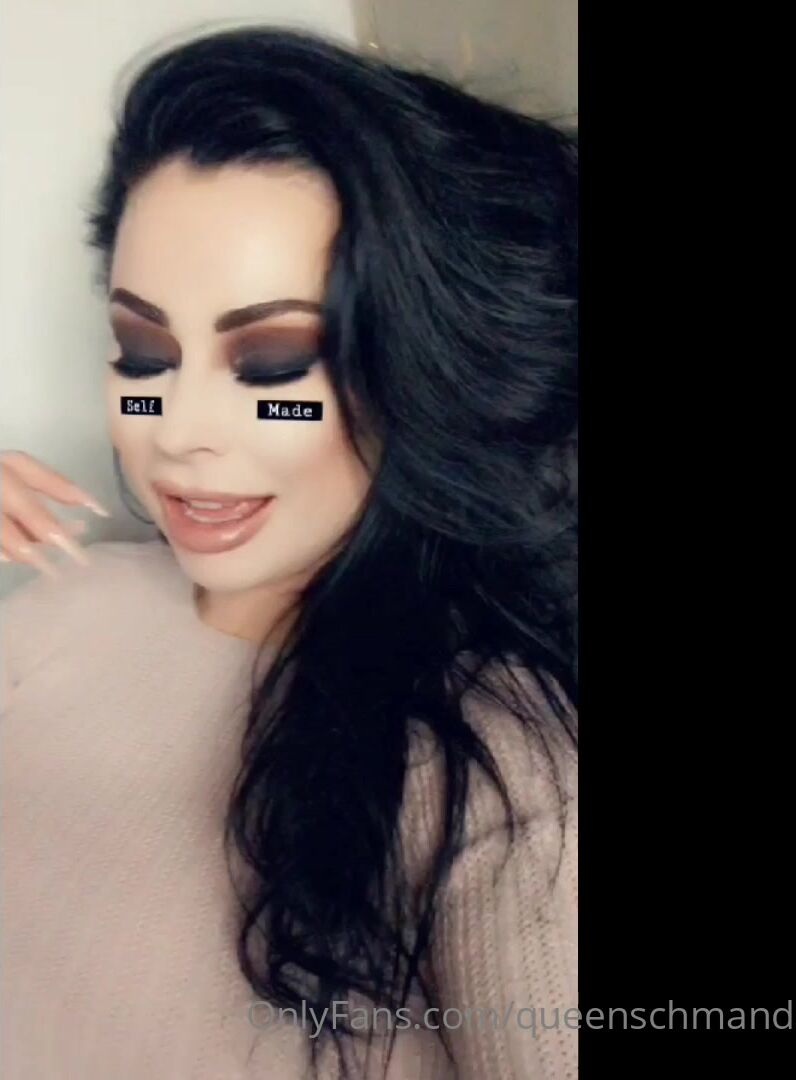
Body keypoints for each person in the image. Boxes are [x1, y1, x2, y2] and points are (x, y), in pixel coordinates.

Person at [0, 25, 578, 1080]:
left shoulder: (497, 769)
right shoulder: (53, 601)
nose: (178, 431)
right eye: (143, 354)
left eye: (271, 365)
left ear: (427, 370)